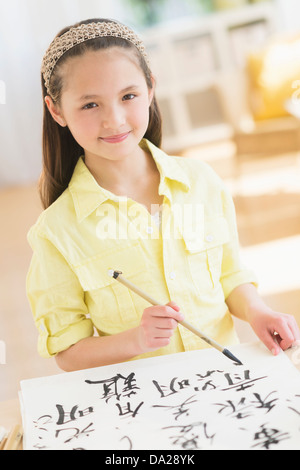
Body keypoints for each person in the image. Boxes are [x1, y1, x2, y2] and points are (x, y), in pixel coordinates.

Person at [26, 18, 300, 372]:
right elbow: (67, 350)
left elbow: (230, 275)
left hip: (228, 385)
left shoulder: (201, 182)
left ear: (150, 89)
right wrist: (136, 340)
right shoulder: (55, 232)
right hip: (147, 406)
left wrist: (259, 312)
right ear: (56, 110)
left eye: (128, 96)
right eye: (90, 105)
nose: (115, 120)